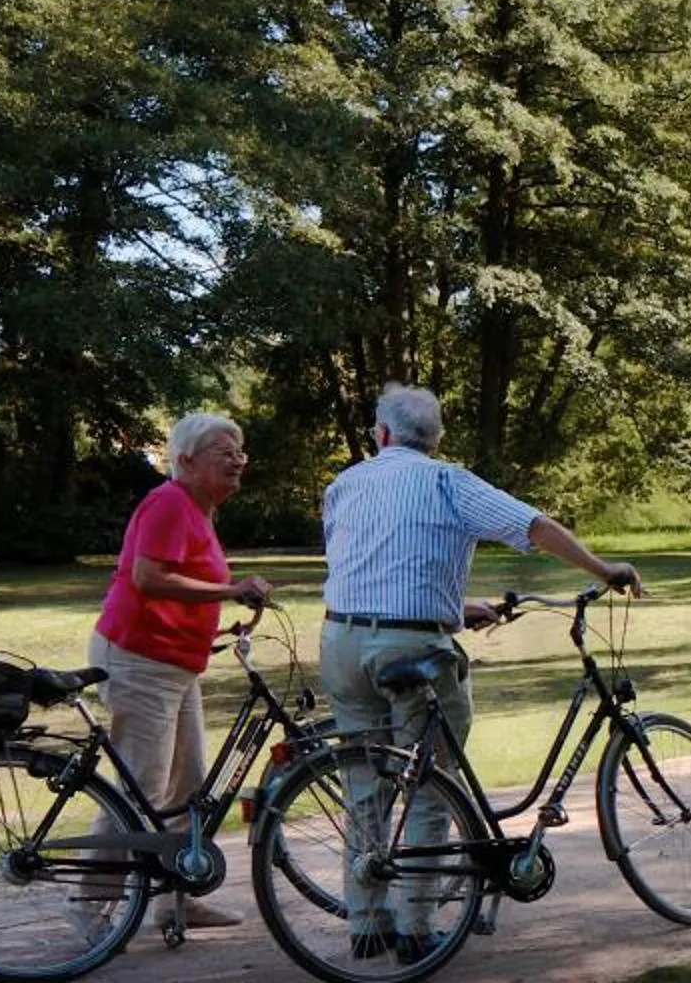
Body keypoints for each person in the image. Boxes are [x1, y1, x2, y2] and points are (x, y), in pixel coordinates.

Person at [318, 383, 639, 965]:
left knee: (364, 783)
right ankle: (416, 929)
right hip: (411, 645)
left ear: (383, 435)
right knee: (429, 782)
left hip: (341, 639)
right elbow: (534, 526)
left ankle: (366, 925)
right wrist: (603, 568)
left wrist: (450, 607)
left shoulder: (344, 484)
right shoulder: (447, 481)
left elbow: (366, 564)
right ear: (435, 439)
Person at [83, 413, 276, 932]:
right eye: (224, 452)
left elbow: (182, 582)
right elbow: (149, 577)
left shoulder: (197, 509)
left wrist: (222, 617)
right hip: (139, 659)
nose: (237, 460)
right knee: (140, 786)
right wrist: (230, 589)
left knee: (187, 784)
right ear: (186, 461)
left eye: (240, 451)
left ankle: (176, 900)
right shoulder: (169, 502)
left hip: (172, 664)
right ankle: (89, 908)